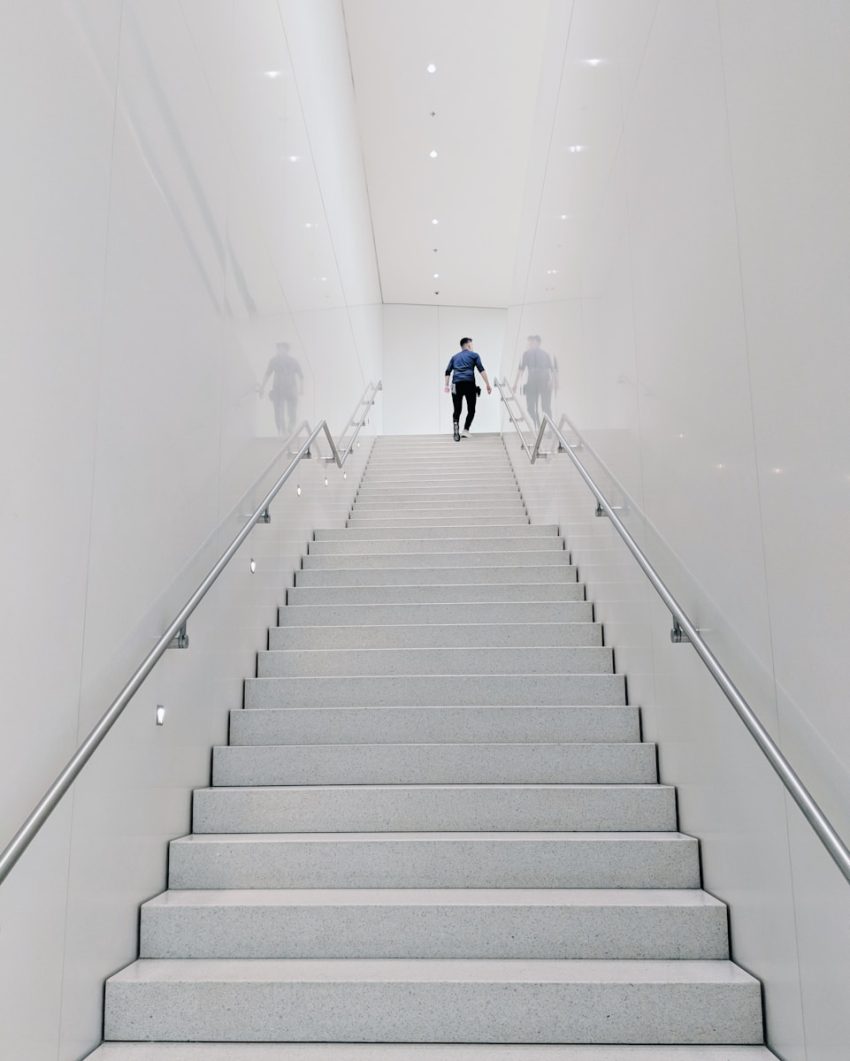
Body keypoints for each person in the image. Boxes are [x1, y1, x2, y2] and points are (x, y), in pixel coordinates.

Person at [444, 337, 492, 441]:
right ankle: (465, 430)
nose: (472, 346)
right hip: (469, 384)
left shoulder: (454, 357)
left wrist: (446, 386)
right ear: (468, 344)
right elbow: (481, 369)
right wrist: (487, 384)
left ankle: (456, 428)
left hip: (455, 385)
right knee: (471, 409)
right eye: (472, 344)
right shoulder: (474, 355)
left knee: (457, 409)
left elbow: (447, 372)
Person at [258, 341, 303, 436]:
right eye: (279, 349)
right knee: (278, 411)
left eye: (282, 349)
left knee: (292, 411)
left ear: (287, 350)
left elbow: (300, 375)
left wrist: (301, 388)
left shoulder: (293, 361)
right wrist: (262, 387)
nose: (280, 351)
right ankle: (281, 430)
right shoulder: (274, 361)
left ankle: (290, 428)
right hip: (278, 389)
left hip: (291, 389)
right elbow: (267, 374)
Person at [513, 334, 558, 429]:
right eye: (529, 343)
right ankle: (537, 423)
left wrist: (553, 382)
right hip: (532, 383)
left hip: (544, 382)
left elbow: (553, 370)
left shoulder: (545, 354)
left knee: (546, 407)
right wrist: (515, 384)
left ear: (538, 343)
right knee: (530, 408)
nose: (530, 344)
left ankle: (550, 428)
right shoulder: (526, 354)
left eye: (532, 342)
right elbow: (521, 370)